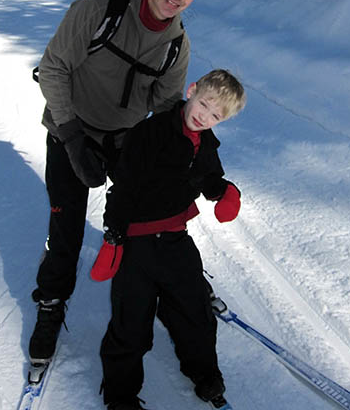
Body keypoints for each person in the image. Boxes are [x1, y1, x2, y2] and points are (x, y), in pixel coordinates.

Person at [29, 0, 216, 365]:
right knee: (66, 222)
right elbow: (54, 68)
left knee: (149, 216)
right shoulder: (95, 11)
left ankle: (177, 282)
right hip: (69, 129)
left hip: (126, 138)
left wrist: (183, 159)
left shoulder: (175, 46)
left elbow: (168, 110)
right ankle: (52, 299)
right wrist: (74, 139)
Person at [91, 69, 246, 410]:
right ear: (192, 91)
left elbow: (207, 177)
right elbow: (125, 186)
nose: (204, 116)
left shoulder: (205, 141)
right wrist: (113, 235)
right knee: (130, 323)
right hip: (137, 244)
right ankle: (120, 397)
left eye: (216, 115)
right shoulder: (151, 132)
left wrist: (225, 191)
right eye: (204, 104)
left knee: (194, 311)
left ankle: (203, 373)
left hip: (176, 238)